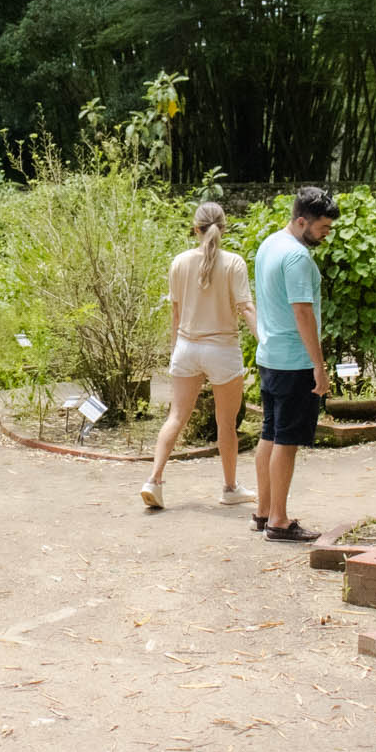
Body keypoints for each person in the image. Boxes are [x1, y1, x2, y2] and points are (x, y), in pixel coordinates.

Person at [141, 202, 256, 510]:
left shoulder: (179, 262)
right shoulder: (234, 263)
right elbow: (246, 308)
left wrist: (174, 349)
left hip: (187, 347)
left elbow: (176, 313)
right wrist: (264, 339)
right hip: (222, 350)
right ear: (224, 227)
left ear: (195, 229)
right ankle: (230, 488)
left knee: (175, 417)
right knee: (226, 423)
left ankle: (154, 480)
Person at [252, 187, 338, 542]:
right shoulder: (297, 257)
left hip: (270, 357)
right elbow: (302, 311)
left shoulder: (270, 244)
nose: (326, 234)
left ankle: (263, 511)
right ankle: (279, 521)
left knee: (270, 434)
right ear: (302, 220)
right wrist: (319, 365)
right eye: (322, 228)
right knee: (286, 442)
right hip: (294, 361)